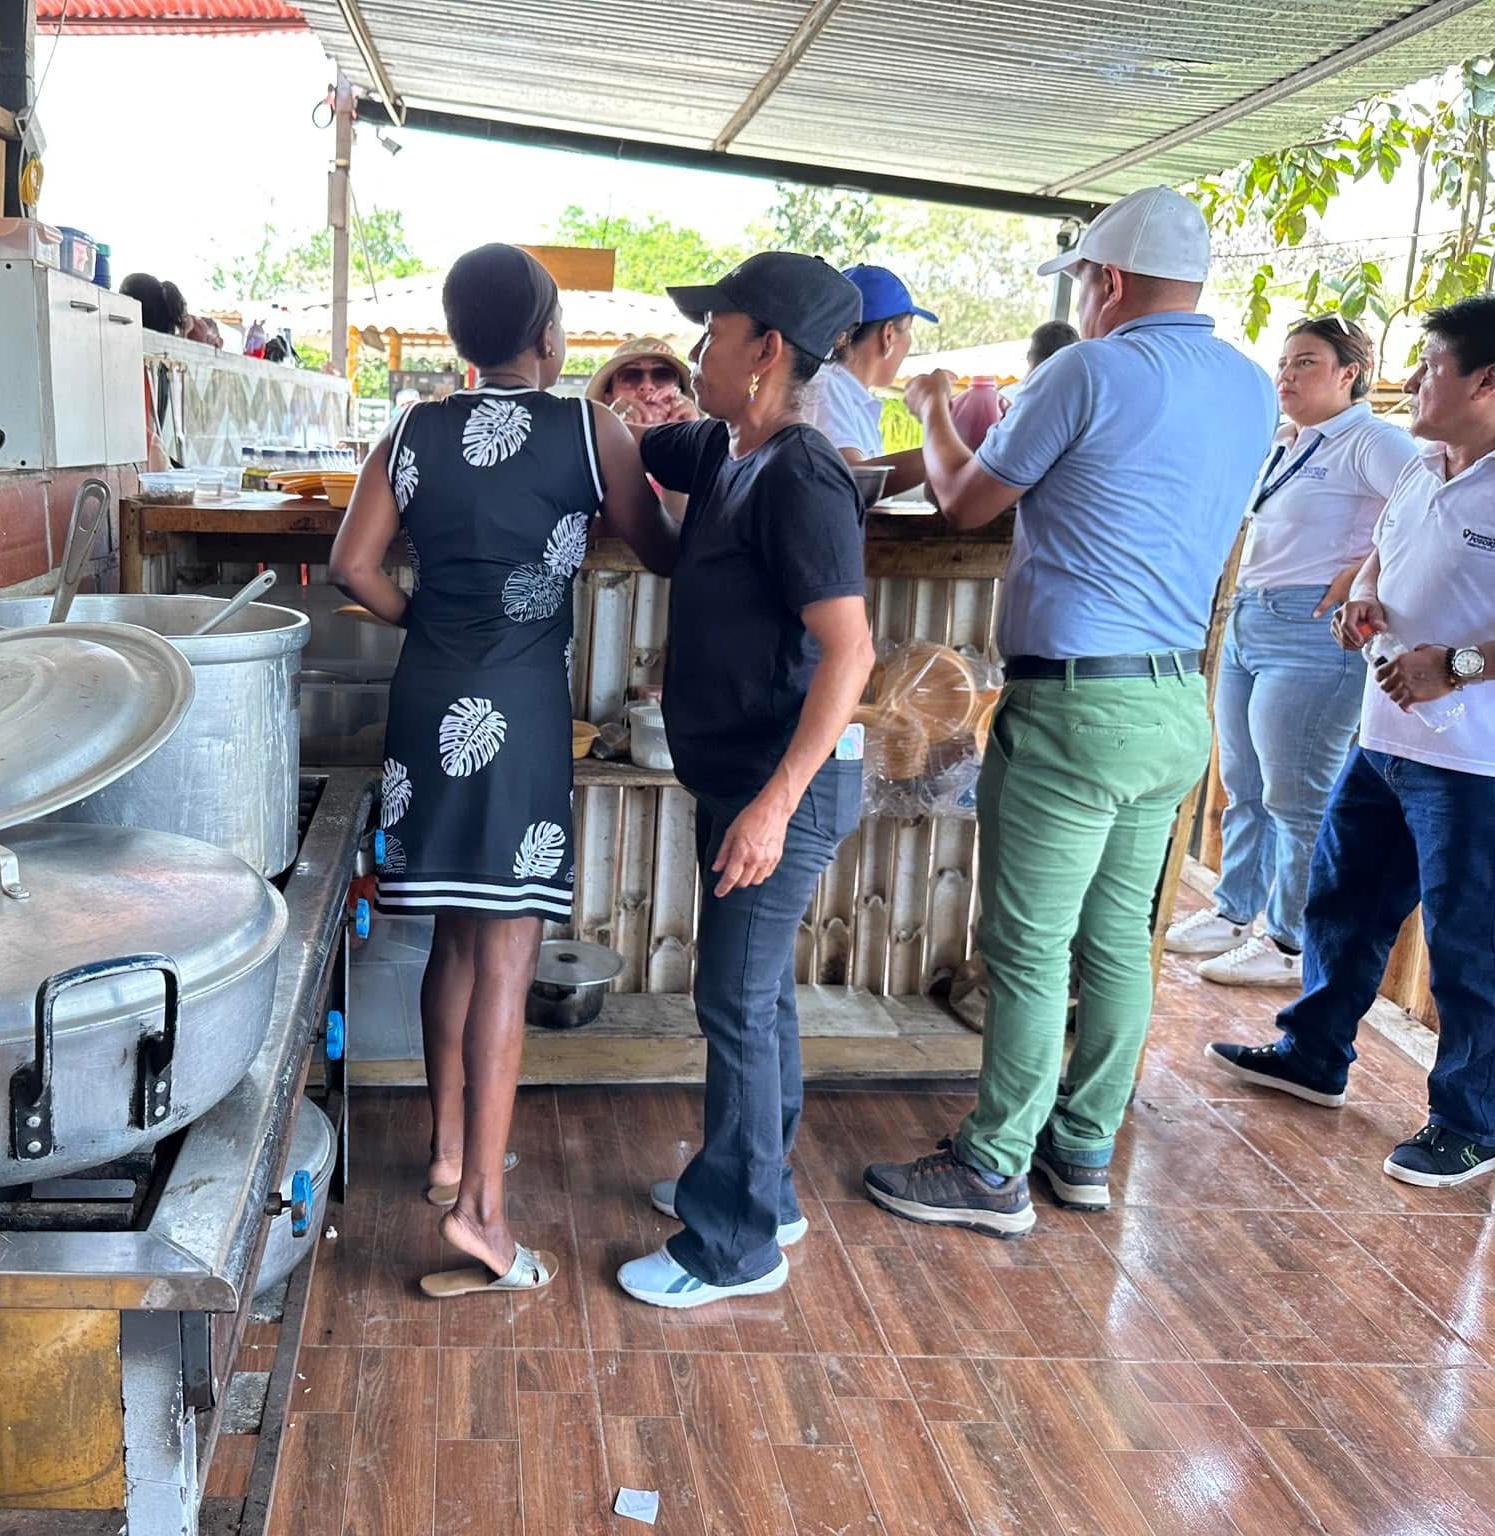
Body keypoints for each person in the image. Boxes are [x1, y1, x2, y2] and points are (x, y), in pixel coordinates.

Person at [865, 186, 1276, 1235]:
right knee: (1117, 940)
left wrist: (930, 412)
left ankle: (992, 1168)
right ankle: (1083, 1148)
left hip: (1076, 706)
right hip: (1174, 700)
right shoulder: (1250, 385)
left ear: (1108, 281)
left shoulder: (1087, 369)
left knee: (1029, 946)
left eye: (1083, 281)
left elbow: (965, 503)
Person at [328, 244, 682, 1294]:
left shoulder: (411, 430)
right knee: (507, 952)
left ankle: (448, 1154)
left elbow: (351, 565)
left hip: (426, 698)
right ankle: (481, 1213)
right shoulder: (590, 429)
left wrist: (427, 617)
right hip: (518, 711)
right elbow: (658, 548)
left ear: (459, 340)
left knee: (451, 934)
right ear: (549, 337)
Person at [610, 253, 878, 1307]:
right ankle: (762, 1193)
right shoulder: (727, 449)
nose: (693, 355)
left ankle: (733, 1247)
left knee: (730, 1000)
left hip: (785, 786)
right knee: (755, 997)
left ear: (766, 349)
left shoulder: (801, 474)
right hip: (739, 775)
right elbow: (625, 437)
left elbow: (849, 654)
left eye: (712, 333)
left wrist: (772, 805)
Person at [1208, 297, 1495, 1187]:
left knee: (1469, 943)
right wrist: (1363, 595)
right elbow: (1382, 549)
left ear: (1487, 382)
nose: (1412, 379)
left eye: (1432, 366)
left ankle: (1470, 1123)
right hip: (1386, 739)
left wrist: (1457, 664)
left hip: (1474, 761)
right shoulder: (1424, 466)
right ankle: (1315, 1053)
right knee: (1344, 903)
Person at [1167, 319, 1417, 986]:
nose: (1287, 375)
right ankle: (1234, 911)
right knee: (1244, 782)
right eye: (1284, 362)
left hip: (1314, 629)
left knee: (1297, 794)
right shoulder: (1284, 440)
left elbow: (1430, 509)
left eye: (1306, 362)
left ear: (1349, 373)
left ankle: (1290, 943)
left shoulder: (1371, 439)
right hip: (1251, 616)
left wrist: (1361, 574)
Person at [806, 264, 938, 495]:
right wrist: (948, 449)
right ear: (888, 335)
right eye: (907, 330)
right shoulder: (826, 387)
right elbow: (850, 480)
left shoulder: (845, 392)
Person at [586, 337, 700, 518]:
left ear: (680, 391)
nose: (647, 386)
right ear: (608, 396)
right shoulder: (587, 456)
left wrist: (687, 444)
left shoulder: (714, 451)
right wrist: (613, 437)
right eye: (631, 376)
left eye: (662, 375)